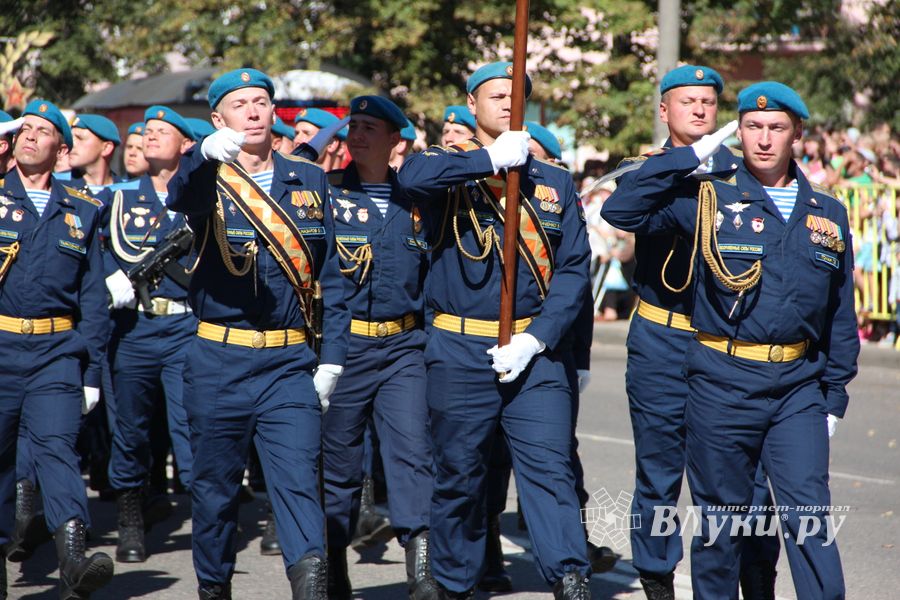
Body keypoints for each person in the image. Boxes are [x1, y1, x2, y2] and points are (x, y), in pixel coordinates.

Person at [601, 81, 858, 600]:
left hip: (797, 387)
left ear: (797, 135)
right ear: (737, 132)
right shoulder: (709, 196)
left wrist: (834, 395)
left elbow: (839, 314)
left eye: (777, 128)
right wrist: (686, 157)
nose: (764, 139)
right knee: (721, 526)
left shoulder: (827, 213)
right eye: (753, 127)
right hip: (721, 380)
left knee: (809, 514)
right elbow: (621, 211)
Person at [398, 62, 593, 599]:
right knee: (459, 475)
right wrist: (488, 160)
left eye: (517, 96)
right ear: (472, 101)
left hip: (534, 348)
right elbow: (410, 181)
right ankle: (455, 583)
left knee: (551, 471)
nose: (508, 104)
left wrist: (539, 337)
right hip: (460, 346)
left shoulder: (551, 181)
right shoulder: (448, 166)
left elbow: (576, 266)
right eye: (496, 94)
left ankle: (571, 579)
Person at [166, 68, 350, 600]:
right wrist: (202, 154)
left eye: (261, 101)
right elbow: (181, 194)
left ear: (274, 113)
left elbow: (329, 276)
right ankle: (214, 588)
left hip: (288, 363)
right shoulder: (208, 174)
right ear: (219, 117)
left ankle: (311, 588)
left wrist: (332, 358)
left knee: (297, 488)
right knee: (216, 495)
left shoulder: (308, 178)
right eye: (240, 103)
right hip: (218, 360)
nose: (252, 110)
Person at [321, 95, 439, 599]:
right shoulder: (323, 192)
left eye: (372, 128)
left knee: (413, 455)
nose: (359, 134)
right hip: (343, 350)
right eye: (354, 126)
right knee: (339, 468)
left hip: (403, 347)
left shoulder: (418, 201)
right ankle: (333, 570)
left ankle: (422, 574)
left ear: (397, 141)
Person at [0, 99, 114, 599]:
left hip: (57, 351)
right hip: (0, 346)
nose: (29, 136)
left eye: (43, 131)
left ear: (61, 149)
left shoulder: (84, 211)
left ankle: (73, 558)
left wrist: (92, 373)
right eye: (24, 129)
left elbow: (94, 299)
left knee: (57, 450)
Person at [98, 105, 197, 564]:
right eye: (147, 131)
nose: (151, 136)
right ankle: (131, 518)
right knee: (130, 431)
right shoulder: (117, 200)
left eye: (163, 131)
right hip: (134, 327)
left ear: (186, 144)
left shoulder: (200, 198)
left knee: (192, 426)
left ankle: (209, 517)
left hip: (185, 324)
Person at [68, 114, 122, 194]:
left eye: (80, 138)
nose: (71, 144)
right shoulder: (58, 186)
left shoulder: (125, 192)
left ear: (106, 148)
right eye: (71, 138)